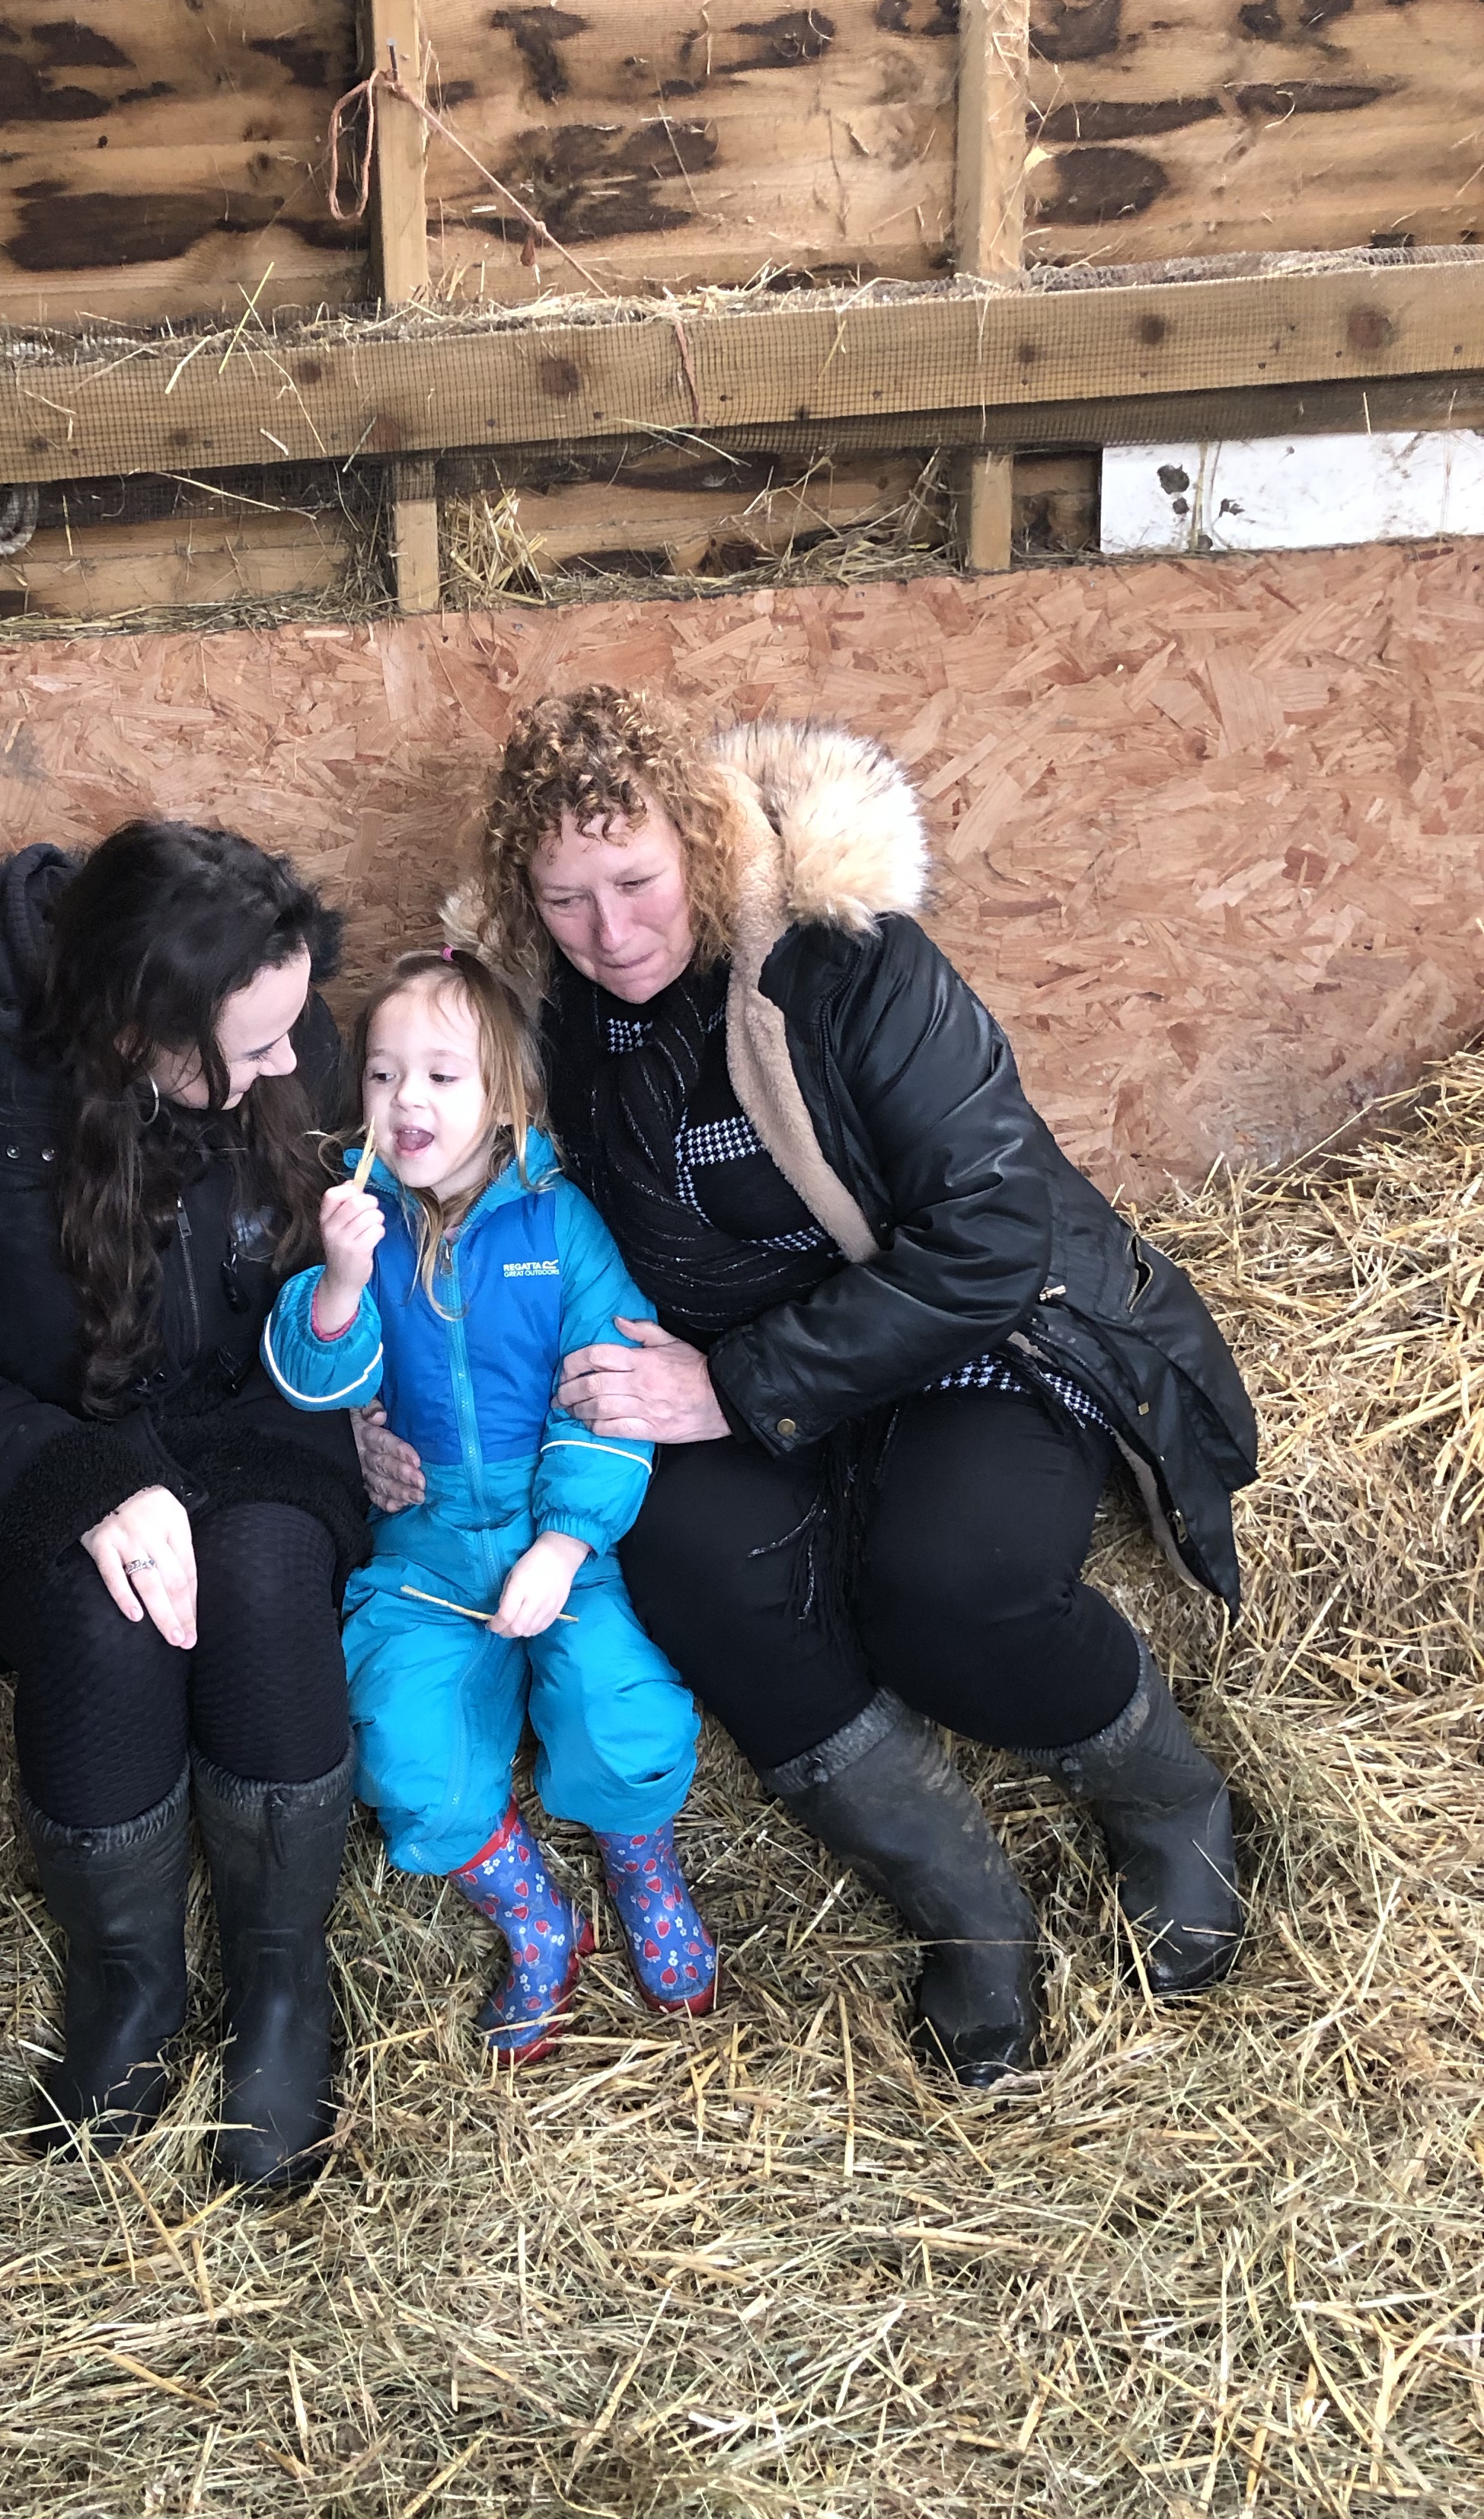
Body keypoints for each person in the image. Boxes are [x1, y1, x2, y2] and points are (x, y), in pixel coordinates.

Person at [363, 690, 1259, 2087]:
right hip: (719, 1368)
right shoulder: (541, 1013)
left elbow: (992, 1236)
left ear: (699, 843)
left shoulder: (847, 961)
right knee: (686, 1564)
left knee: (951, 1586)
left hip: (968, 1343)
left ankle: (1172, 1804)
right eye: (567, 899)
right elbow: (465, 1218)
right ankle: (965, 1903)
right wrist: (390, 1404)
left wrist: (736, 1387)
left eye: (637, 882)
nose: (612, 932)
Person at [0, 821, 370, 2192]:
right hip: (42, 1453)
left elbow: (348, 1270)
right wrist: (83, 1484)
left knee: (260, 1576)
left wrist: (378, 1398)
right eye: (253, 1048)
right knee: (109, 1608)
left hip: (248, 1433)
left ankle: (282, 1978)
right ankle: (129, 1982)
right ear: (140, 1028)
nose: (292, 1067)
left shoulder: (275, 1025)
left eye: (291, 1032)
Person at [265, 949, 716, 2063]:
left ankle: (642, 1867)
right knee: (401, 1748)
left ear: (507, 1096)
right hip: (421, 1556)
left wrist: (563, 1544)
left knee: (624, 1715)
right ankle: (535, 1915)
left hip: (558, 1542)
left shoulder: (561, 1228)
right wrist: (337, 1284)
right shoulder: (357, 1224)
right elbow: (317, 1379)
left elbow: (612, 1393)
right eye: (382, 1076)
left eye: (441, 1075)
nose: (405, 1101)